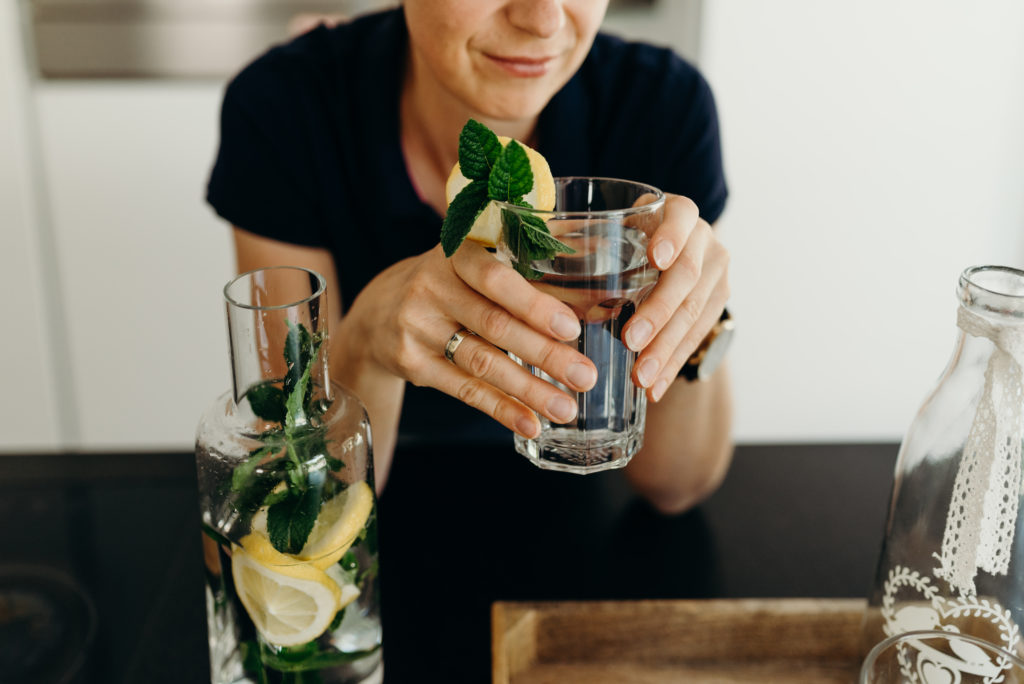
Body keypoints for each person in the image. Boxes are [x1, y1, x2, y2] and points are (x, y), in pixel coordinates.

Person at [207, 0, 732, 515]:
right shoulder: (286, 105)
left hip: (577, 519)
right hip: (377, 525)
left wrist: (688, 319)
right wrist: (365, 344)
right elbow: (307, 502)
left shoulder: (661, 103)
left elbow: (676, 485)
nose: (544, 19)